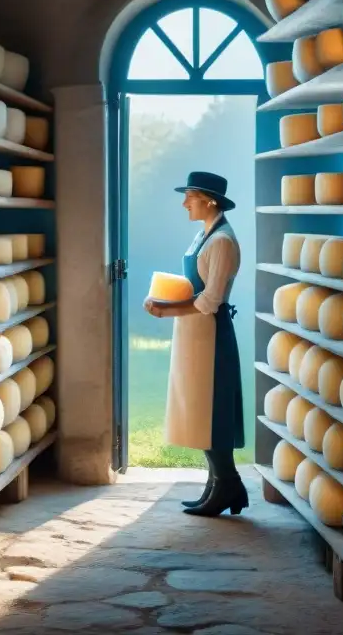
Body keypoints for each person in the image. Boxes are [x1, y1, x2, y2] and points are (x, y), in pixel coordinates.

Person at [144, 171, 246, 517]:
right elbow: (192, 288)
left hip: (210, 335)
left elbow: (210, 300)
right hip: (194, 334)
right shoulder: (204, 235)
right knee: (202, 412)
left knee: (212, 413)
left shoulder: (222, 242)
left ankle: (228, 485)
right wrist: (163, 298)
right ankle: (217, 485)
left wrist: (166, 309)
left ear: (209, 200)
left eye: (190, 196)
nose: (184, 202)